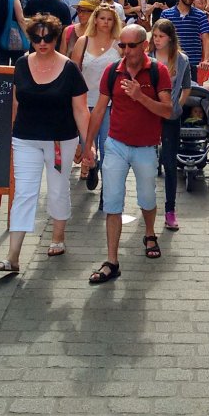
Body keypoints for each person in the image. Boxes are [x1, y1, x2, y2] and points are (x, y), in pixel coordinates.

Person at [0, 14, 89, 274]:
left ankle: (58, 236)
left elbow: (81, 109)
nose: (42, 43)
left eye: (48, 38)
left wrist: (87, 143)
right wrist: (10, 133)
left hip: (60, 139)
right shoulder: (22, 64)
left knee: (58, 189)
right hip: (25, 138)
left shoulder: (69, 69)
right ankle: (13, 256)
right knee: (24, 192)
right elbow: (16, 102)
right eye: (36, 38)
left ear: (56, 38)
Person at [83, 24, 172, 282]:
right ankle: (112, 261)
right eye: (122, 45)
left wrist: (140, 96)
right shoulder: (112, 71)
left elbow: (167, 111)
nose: (126, 50)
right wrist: (88, 144)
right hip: (115, 145)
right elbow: (99, 109)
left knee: (147, 198)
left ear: (144, 45)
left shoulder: (158, 71)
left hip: (146, 147)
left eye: (131, 45)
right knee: (112, 202)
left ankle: (149, 233)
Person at [71, 2, 122, 191]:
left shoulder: (118, 44)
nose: (105, 22)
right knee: (88, 146)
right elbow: (73, 72)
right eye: (102, 18)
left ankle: (106, 193)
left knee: (108, 146)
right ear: (95, 20)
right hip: (84, 103)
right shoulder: (83, 41)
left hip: (109, 104)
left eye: (109, 19)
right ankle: (92, 166)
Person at [150, 18, 192, 232]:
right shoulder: (147, 57)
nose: (157, 40)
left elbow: (186, 86)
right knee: (147, 163)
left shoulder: (181, 59)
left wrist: (177, 106)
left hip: (170, 116)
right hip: (148, 116)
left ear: (170, 38)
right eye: (155, 36)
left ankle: (170, 210)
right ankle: (147, 207)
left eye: (161, 36)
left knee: (169, 162)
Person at [161, 0, 209, 83]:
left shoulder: (200, 15)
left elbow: (206, 39)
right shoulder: (166, 14)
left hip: (192, 64)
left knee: (192, 91)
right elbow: (161, 37)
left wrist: (206, 60)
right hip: (171, 63)